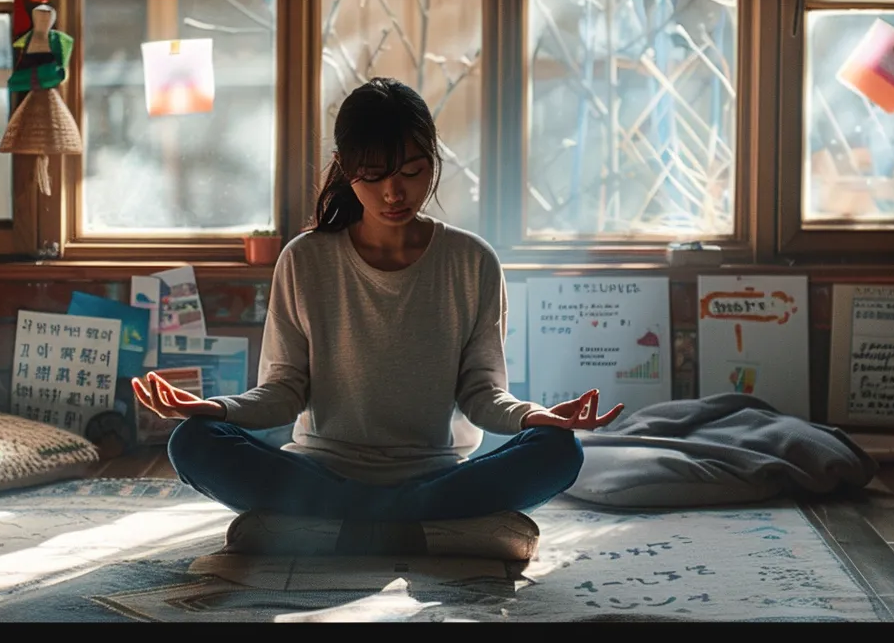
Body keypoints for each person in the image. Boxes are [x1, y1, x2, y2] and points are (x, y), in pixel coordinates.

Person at [131, 77, 622, 530]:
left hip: (434, 478)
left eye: (412, 170)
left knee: (558, 451)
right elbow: (283, 391)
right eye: (373, 175)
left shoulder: (472, 262)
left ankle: (350, 527)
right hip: (323, 474)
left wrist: (537, 417)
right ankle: (405, 526)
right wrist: (215, 408)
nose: (394, 192)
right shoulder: (305, 260)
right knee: (194, 442)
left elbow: (482, 396)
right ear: (345, 168)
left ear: (434, 159)